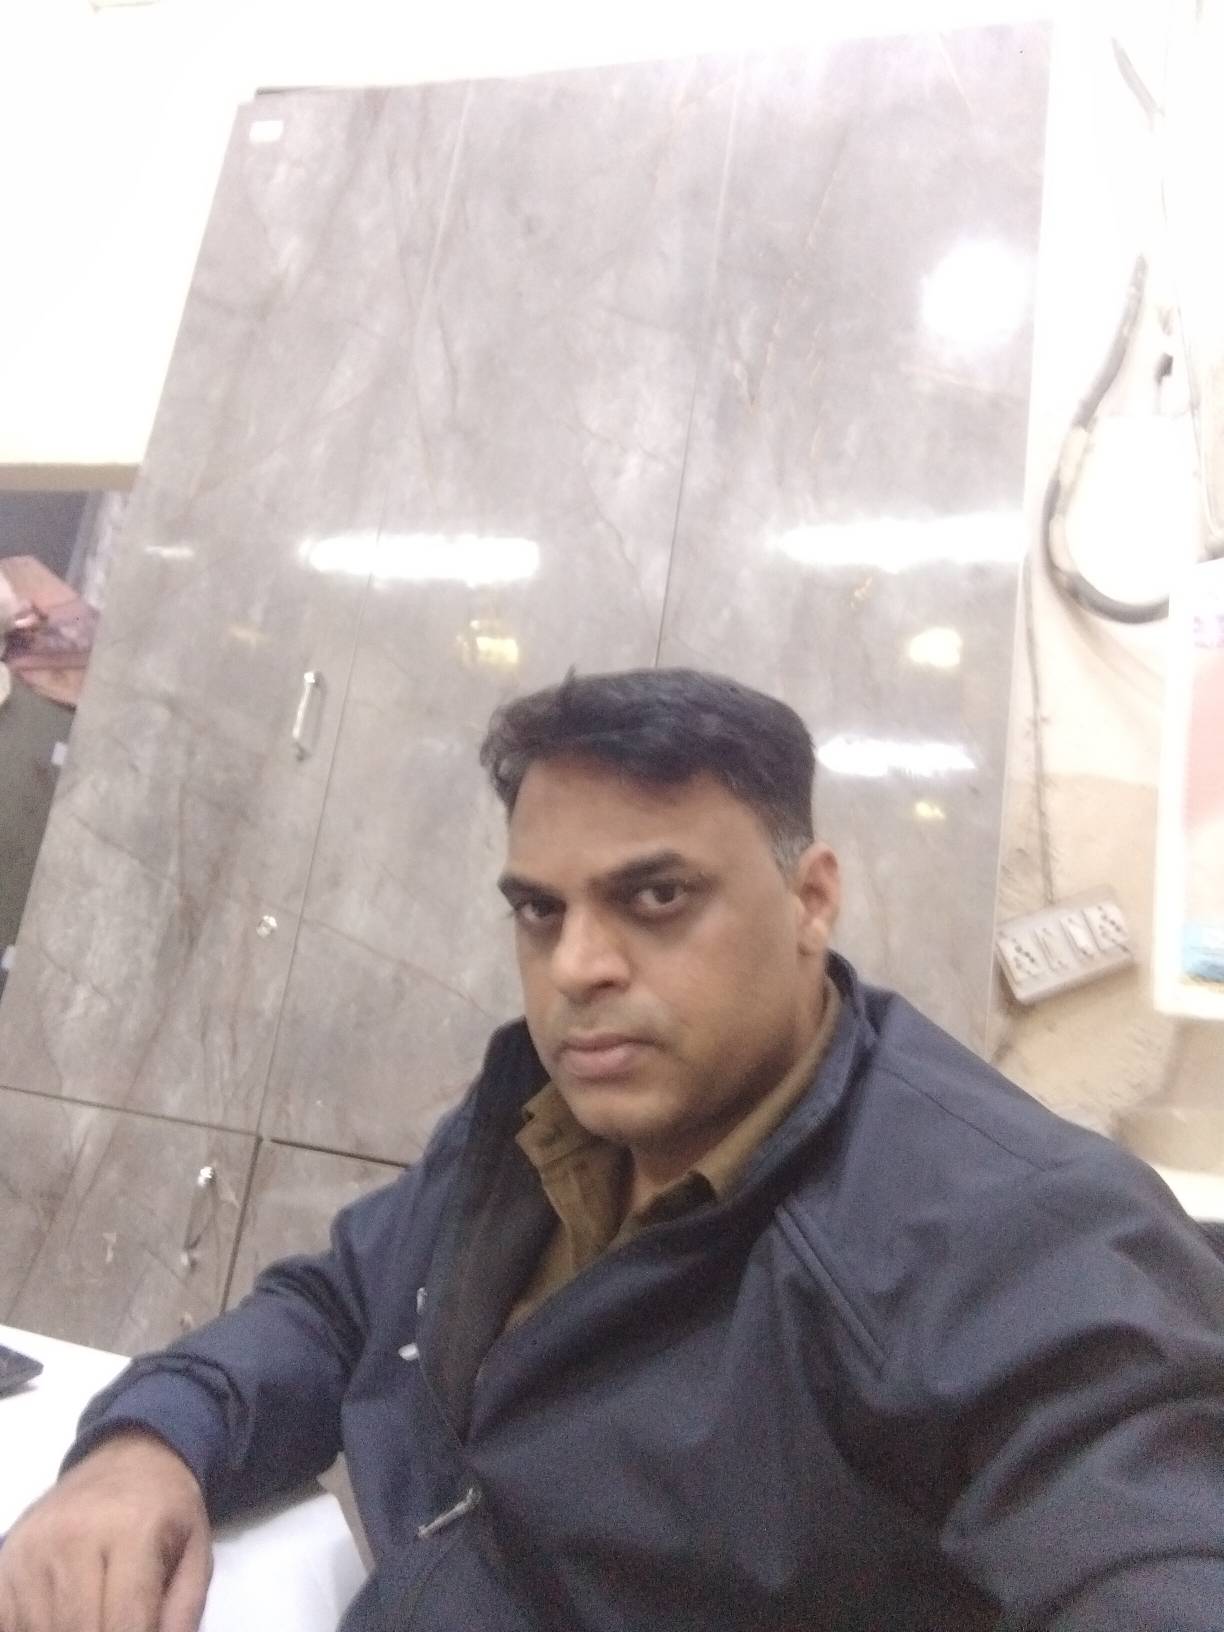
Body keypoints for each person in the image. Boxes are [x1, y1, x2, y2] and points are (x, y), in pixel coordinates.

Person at [2, 667, 1223, 1632]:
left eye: (655, 898)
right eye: (540, 910)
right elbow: (339, 1309)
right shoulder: (543, 1119)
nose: (576, 967)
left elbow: (1150, 1542)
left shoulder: (1015, 1234)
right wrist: (149, 1443)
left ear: (812, 899)